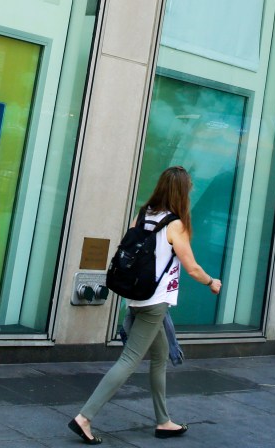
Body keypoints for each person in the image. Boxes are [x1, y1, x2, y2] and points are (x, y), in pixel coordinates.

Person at [69, 166, 222, 444]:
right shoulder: (176, 224)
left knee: (160, 356)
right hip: (155, 303)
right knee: (129, 360)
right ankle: (85, 417)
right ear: (182, 192)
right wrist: (211, 282)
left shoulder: (143, 215)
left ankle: (163, 421)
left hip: (137, 297)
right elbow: (192, 267)